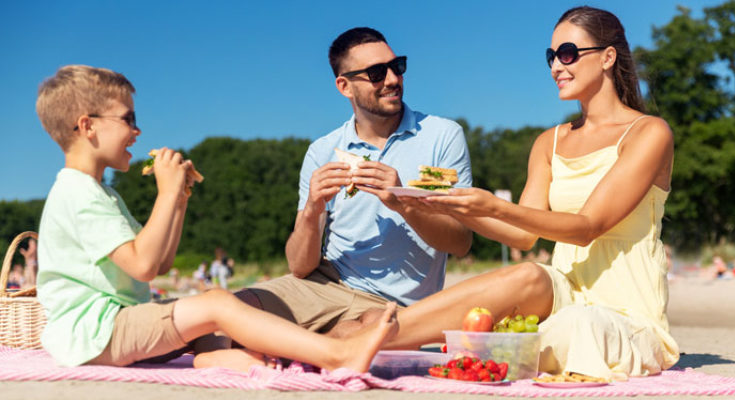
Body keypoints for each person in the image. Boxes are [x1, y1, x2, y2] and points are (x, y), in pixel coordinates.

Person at [34, 65, 398, 372]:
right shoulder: (78, 192)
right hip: (95, 336)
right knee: (217, 305)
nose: (137, 130)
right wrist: (165, 192)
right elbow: (144, 265)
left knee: (212, 306)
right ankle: (337, 355)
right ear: (87, 126)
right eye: (128, 118)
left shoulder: (99, 192)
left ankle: (211, 358)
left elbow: (160, 263)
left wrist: (177, 200)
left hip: (115, 326)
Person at [390, 6, 680, 380]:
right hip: (563, 293)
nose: (556, 66)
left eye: (568, 53)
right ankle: (381, 332)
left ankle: (380, 339)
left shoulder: (649, 133)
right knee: (527, 275)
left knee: (576, 326)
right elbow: (522, 236)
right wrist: (443, 203)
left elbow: (587, 226)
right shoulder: (549, 142)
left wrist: (494, 205)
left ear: (608, 57)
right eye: (551, 56)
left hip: (625, 312)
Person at [235, 27, 473, 336]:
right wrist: (311, 209)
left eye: (396, 66)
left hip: (394, 306)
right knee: (227, 312)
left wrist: (404, 205)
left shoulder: (442, 136)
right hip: (325, 286)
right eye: (376, 73)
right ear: (345, 87)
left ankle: (301, 348)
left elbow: (460, 243)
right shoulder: (322, 151)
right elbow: (299, 267)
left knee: (359, 331)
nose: (392, 79)